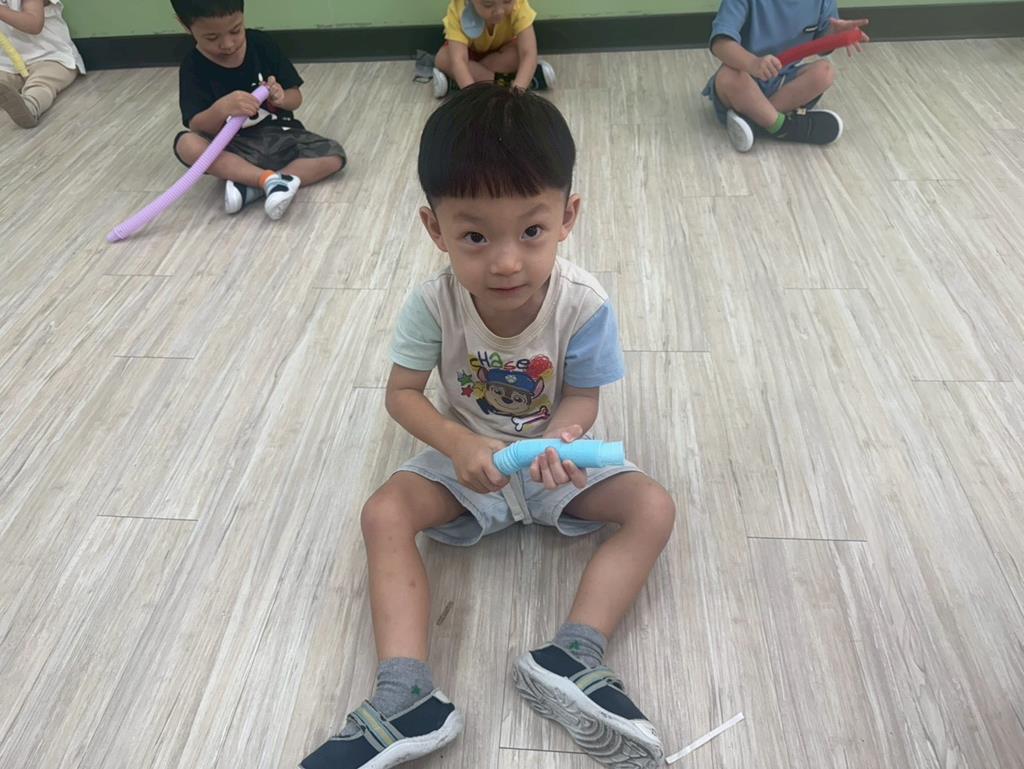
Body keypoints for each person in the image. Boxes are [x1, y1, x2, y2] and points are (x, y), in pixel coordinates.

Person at [300, 84, 676, 769]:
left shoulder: (584, 305)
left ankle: (574, 653)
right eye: (475, 236)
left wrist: (561, 441)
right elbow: (403, 395)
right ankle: (405, 694)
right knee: (384, 513)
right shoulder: (432, 304)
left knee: (653, 506)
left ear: (567, 216)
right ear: (435, 228)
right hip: (468, 458)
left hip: (549, 462)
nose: (505, 261)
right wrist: (458, 442)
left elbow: (582, 398)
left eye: (531, 231)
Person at [170, 0, 346, 220]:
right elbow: (197, 125)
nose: (227, 44)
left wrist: (281, 98)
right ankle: (267, 181)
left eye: (236, 30)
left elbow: (296, 98)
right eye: (212, 38)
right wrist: (221, 109)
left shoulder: (262, 44)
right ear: (185, 25)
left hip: (280, 137)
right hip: (233, 147)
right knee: (187, 144)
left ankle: (255, 184)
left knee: (334, 156)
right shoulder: (193, 66)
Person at [703, 0, 868, 152]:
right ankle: (785, 128)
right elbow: (720, 43)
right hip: (744, 77)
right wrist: (753, 63)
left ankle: (757, 122)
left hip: (782, 80)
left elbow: (822, 46)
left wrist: (834, 35)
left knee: (825, 72)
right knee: (727, 77)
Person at [431, 0, 555, 98]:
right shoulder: (458, 10)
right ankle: (509, 81)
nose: (499, 11)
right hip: (468, 55)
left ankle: (457, 81)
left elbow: (528, 53)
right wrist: (472, 98)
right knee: (442, 58)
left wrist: (518, 93)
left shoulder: (519, 4)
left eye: (507, 1)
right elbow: (459, 60)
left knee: (518, 54)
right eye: (488, 4)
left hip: (499, 54)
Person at [0, 0, 84, 128]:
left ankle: (30, 105)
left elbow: (34, 24)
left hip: (50, 56)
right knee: (3, 82)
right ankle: (10, 99)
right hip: (8, 62)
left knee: (42, 82)